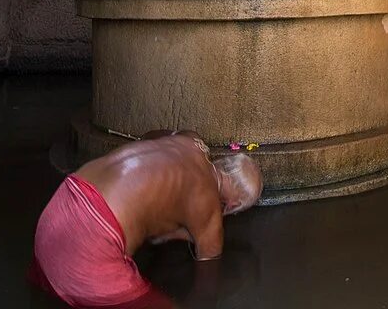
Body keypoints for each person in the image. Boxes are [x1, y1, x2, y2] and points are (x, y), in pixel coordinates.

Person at [31, 131, 263, 307]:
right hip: (89, 248)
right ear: (234, 205)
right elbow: (206, 291)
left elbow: (152, 138)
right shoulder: (209, 211)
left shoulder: (192, 141)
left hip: (57, 211)